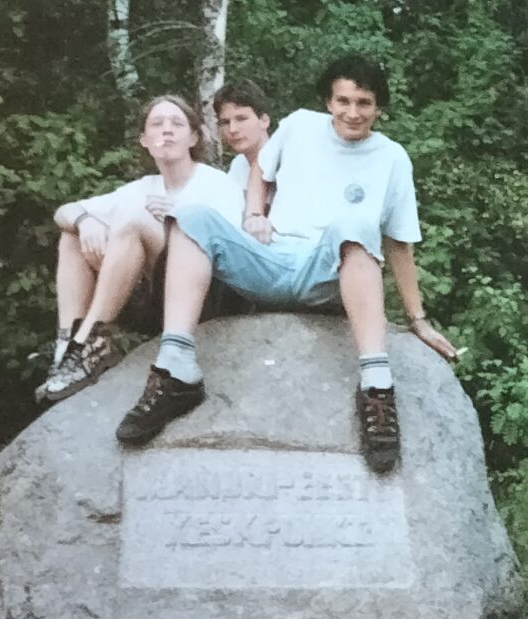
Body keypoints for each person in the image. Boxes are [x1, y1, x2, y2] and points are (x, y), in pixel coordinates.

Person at [114, 55, 456, 474]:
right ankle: (176, 368)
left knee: (354, 222)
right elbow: (261, 167)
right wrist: (254, 213)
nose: (352, 112)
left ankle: (376, 387)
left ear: (379, 108)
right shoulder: (299, 127)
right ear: (328, 102)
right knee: (191, 216)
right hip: (272, 260)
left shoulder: (392, 158)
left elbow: (399, 244)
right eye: (343, 101)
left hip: (328, 273)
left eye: (364, 103)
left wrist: (418, 319)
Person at [37, 94, 243, 403]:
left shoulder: (216, 183)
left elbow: (233, 247)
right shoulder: (143, 188)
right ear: (145, 140)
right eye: (157, 124)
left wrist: (176, 217)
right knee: (73, 235)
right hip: (152, 299)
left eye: (177, 124)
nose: (167, 130)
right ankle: (67, 349)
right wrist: (84, 221)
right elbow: (63, 212)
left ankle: (89, 341)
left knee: (134, 221)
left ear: (193, 137)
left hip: (205, 295)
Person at [213, 80, 272, 196]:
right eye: (225, 122)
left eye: (241, 119)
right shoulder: (239, 165)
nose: (232, 129)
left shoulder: (286, 163)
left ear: (264, 121)